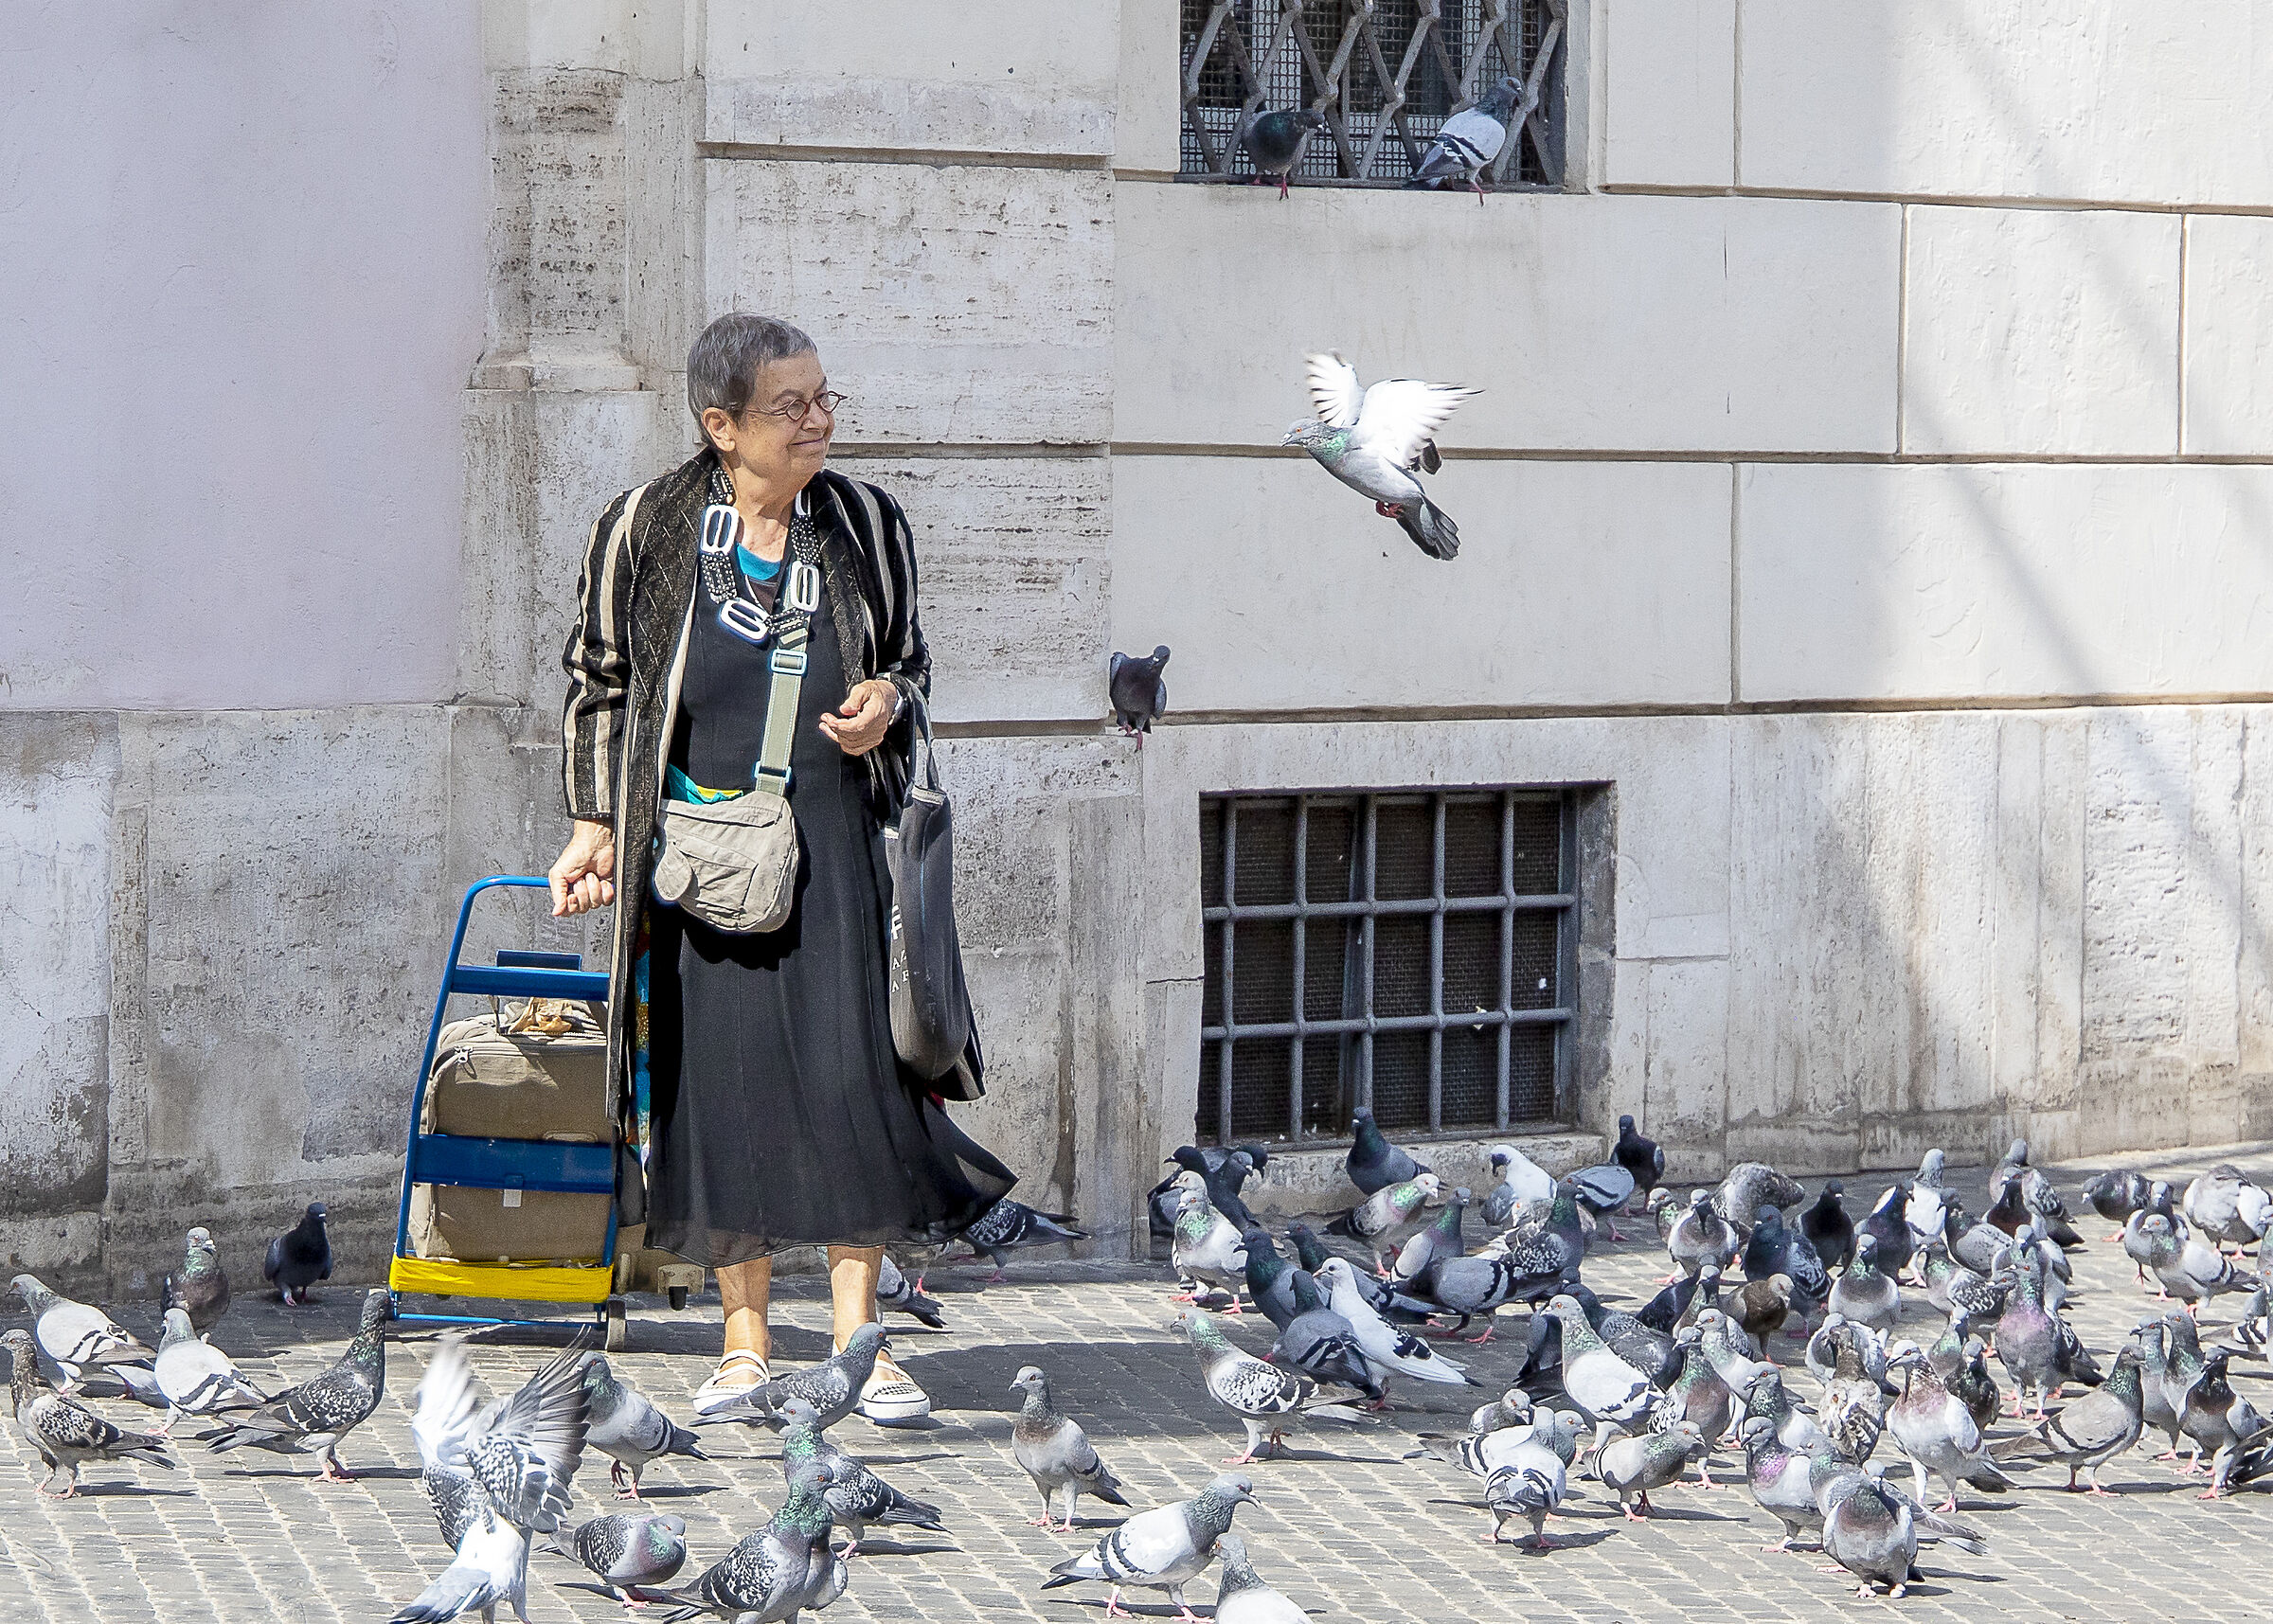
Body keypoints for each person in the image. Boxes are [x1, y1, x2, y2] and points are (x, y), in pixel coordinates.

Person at [550, 312, 1012, 1420]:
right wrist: (594, 823)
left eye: (823, 399)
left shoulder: (864, 523)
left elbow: (907, 658)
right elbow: (600, 677)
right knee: (726, 1094)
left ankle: (861, 1343)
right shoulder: (644, 527)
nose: (821, 422)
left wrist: (886, 702)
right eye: (791, 407)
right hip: (702, 855)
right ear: (722, 425)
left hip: (838, 842)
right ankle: (744, 1343)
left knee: (858, 1082)